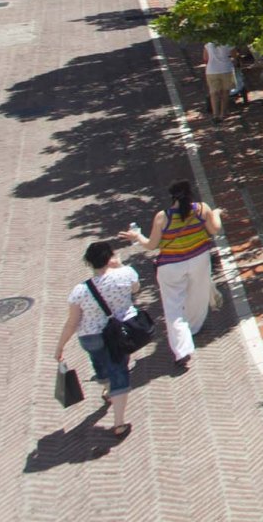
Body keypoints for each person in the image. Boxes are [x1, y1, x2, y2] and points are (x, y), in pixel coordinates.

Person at [121, 181, 221, 371]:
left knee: (173, 307)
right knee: (197, 296)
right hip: (199, 259)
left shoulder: (162, 217)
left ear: (172, 197)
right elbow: (214, 229)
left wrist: (136, 237)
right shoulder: (202, 209)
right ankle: (193, 328)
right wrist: (216, 213)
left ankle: (182, 349)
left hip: (171, 266)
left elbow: (151, 245)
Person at [52, 240, 138, 439]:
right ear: (110, 257)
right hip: (117, 333)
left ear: (89, 263)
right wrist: (121, 265)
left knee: (100, 364)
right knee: (119, 371)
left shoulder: (79, 291)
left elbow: (72, 322)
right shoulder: (126, 274)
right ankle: (118, 423)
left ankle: (108, 389)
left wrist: (60, 346)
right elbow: (135, 289)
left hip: (90, 337)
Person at [202, 41, 236, 123]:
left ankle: (215, 114)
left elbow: (205, 58)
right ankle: (223, 113)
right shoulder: (228, 42)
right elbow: (234, 55)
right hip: (226, 69)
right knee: (225, 92)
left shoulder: (208, 43)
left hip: (212, 70)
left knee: (214, 93)